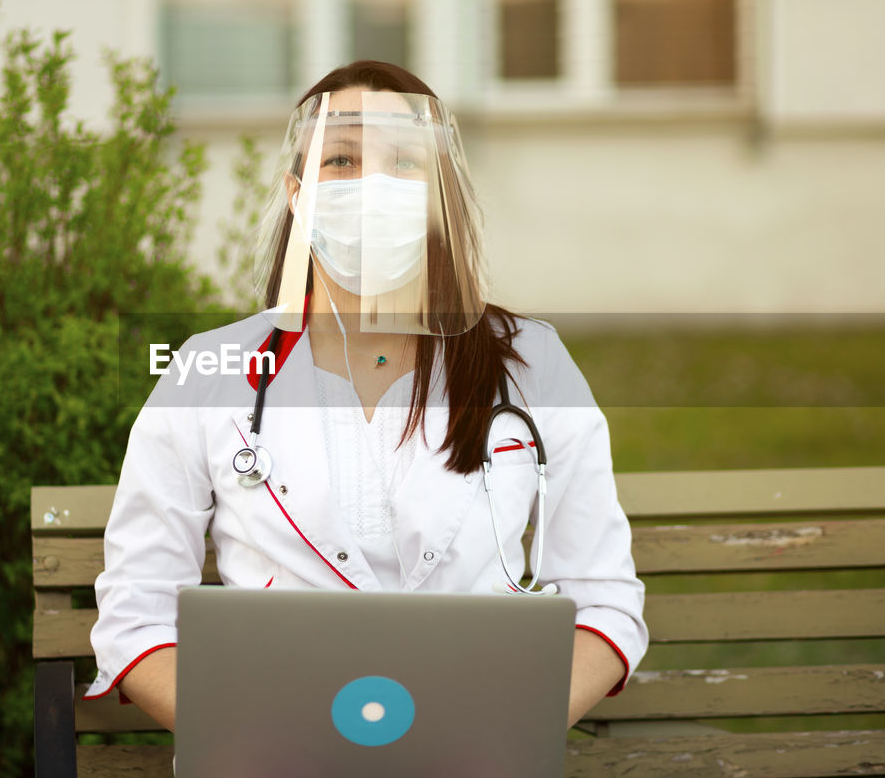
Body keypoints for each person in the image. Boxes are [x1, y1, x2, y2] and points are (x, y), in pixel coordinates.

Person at [86, 61, 647, 731]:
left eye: (404, 162)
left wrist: (498, 737)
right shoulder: (209, 372)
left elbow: (604, 602)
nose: (371, 187)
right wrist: (258, 743)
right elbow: (135, 616)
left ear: (440, 196)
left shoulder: (531, 364)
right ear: (298, 193)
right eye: (342, 158)